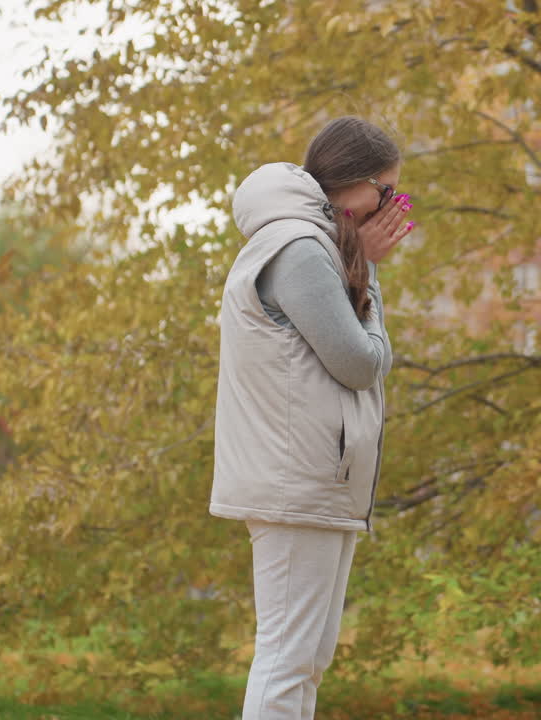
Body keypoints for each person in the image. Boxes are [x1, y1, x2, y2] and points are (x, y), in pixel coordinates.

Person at [209, 116, 413, 720]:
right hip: (295, 482)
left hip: (313, 483)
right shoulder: (298, 247)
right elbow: (360, 362)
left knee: (305, 657)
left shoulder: (310, 243)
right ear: (353, 183)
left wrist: (360, 262)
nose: (390, 207)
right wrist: (371, 270)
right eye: (387, 191)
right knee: (287, 657)